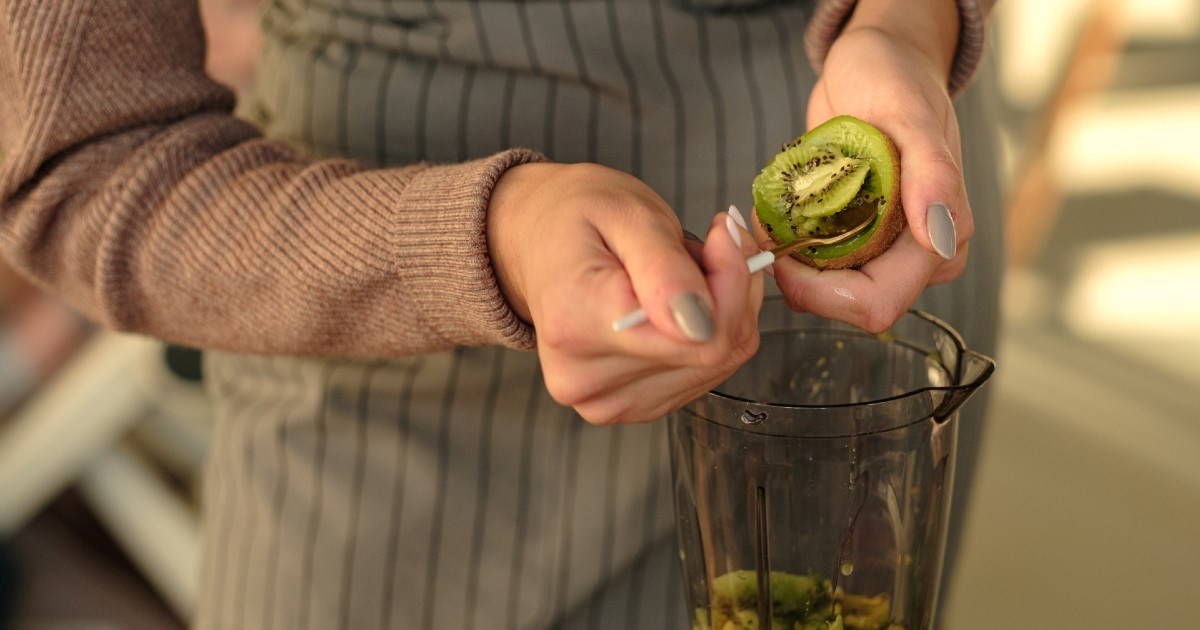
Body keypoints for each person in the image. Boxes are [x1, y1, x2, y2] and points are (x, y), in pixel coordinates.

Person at [0, 0, 1002, 627]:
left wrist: (908, 26)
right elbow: (84, 164)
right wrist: (485, 237)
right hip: (396, 370)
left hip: (875, 250)